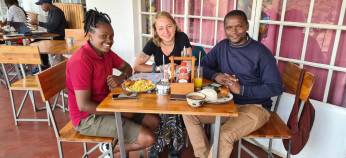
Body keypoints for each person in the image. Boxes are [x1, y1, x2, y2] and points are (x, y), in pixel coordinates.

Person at [182, 10, 283, 158]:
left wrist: (241, 90)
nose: (234, 32)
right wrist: (216, 75)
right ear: (224, 29)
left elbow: (276, 87)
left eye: (239, 27)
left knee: (225, 134)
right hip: (227, 105)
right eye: (229, 27)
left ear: (247, 26)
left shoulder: (261, 53)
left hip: (256, 108)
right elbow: (201, 66)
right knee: (189, 114)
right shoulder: (222, 47)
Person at [66, 9, 159, 156]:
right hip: (87, 118)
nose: (109, 40)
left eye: (111, 36)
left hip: (109, 104)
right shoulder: (81, 61)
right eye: (103, 36)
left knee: (154, 121)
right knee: (148, 138)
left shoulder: (106, 53)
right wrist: (119, 112)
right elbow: (84, 105)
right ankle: (110, 150)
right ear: (90, 35)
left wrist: (120, 78)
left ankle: (116, 145)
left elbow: (128, 68)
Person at [134, 11, 192, 158]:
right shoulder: (153, 42)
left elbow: (189, 63)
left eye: (169, 26)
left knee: (173, 106)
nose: (165, 32)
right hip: (160, 85)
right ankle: (173, 145)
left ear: (175, 25)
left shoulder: (182, 38)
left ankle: (160, 147)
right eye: (160, 28)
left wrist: (181, 68)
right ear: (156, 30)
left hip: (180, 83)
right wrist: (158, 68)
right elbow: (137, 66)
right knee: (163, 106)